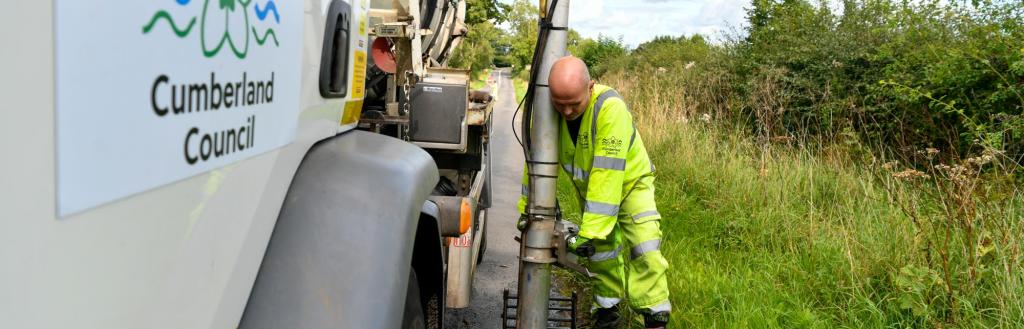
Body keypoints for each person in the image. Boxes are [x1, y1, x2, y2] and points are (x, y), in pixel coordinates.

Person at [517, 56, 671, 328]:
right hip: (594, 192)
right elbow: (535, 164)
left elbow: (606, 171)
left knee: (644, 245)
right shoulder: (550, 114)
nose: (566, 112)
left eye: (573, 105)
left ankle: (654, 314)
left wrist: (590, 231)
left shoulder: (610, 108)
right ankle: (607, 308)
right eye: (559, 104)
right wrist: (528, 209)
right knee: (602, 253)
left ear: (591, 86)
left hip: (631, 184)